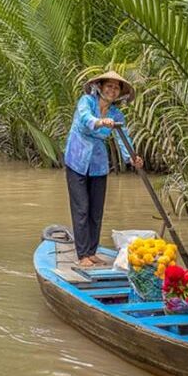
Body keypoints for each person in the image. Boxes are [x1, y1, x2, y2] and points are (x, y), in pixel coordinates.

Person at [64, 71, 144, 268]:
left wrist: (132, 158)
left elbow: (123, 138)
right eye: (109, 86)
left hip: (98, 163)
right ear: (99, 87)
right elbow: (85, 118)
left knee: (96, 210)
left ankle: (92, 252)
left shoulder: (116, 114)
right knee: (81, 208)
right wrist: (99, 121)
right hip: (77, 158)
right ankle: (82, 254)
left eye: (116, 88)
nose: (112, 90)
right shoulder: (86, 101)